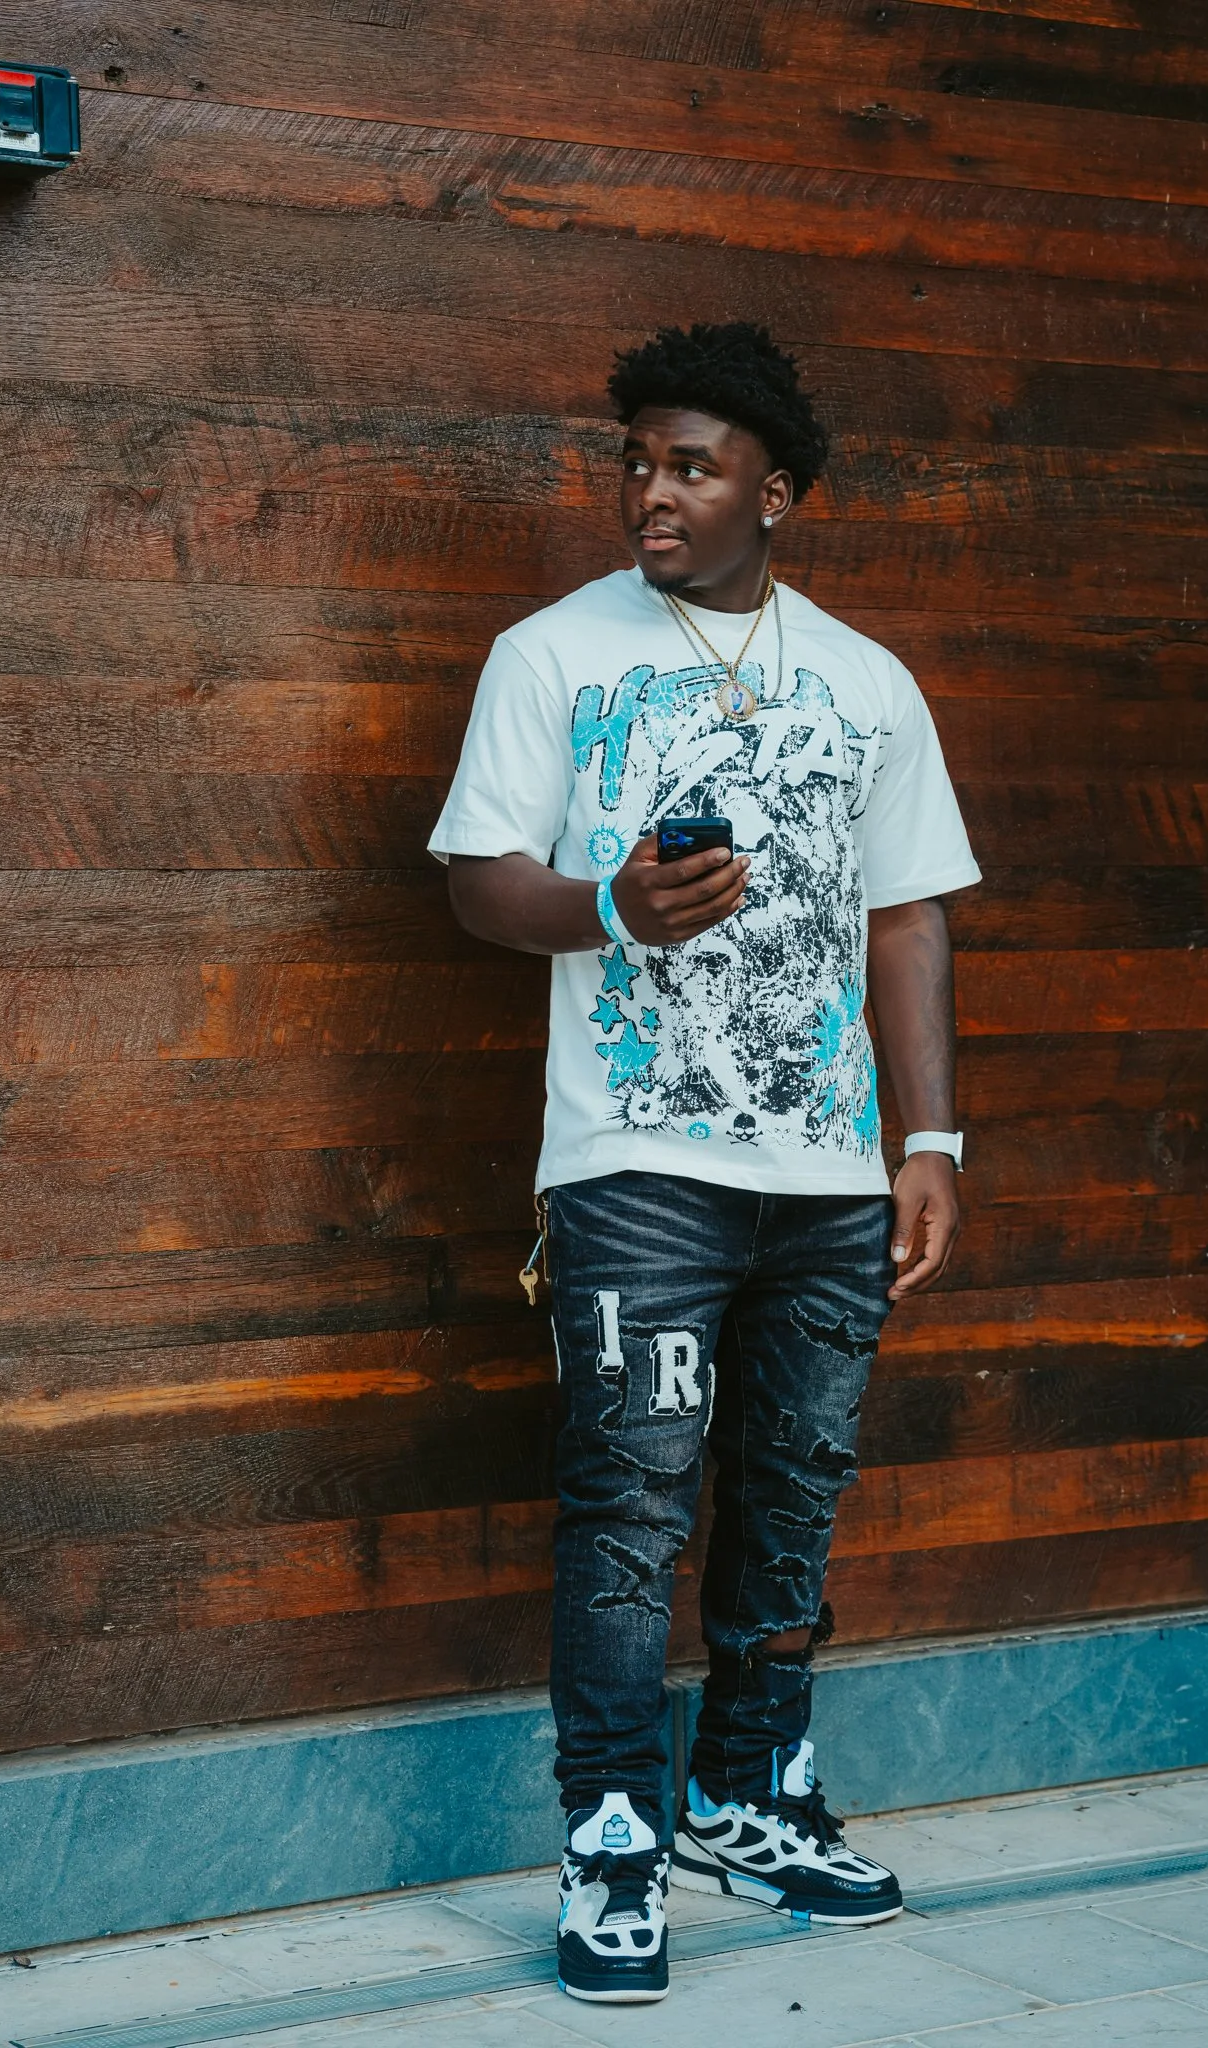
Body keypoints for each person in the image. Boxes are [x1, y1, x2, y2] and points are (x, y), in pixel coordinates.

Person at [432, 322, 981, 2004]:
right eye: (638, 461)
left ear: (777, 494)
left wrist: (930, 1135)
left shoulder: (869, 680)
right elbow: (477, 881)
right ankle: (612, 1833)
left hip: (824, 1180)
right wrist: (612, 905)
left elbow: (907, 918)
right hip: (637, 1171)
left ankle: (751, 1790)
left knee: (792, 1507)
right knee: (627, 1517)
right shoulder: (554, 656)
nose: (651, 493)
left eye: (691, 466)